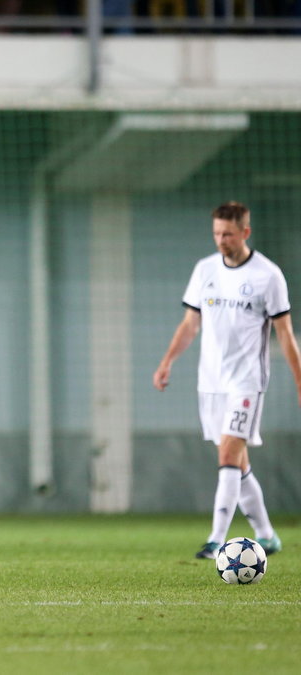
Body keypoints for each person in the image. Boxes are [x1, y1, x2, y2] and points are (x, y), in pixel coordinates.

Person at [153, 201, 300, 560]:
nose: (221, 240)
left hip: (247, 382)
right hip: (211, 382)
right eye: (217, 233)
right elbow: (191, 324)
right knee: (238, 461)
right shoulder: (205, 270)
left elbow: (284, 334)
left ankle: (216, 539)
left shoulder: (268, 275)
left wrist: (299, 382)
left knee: (228, 454)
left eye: (228, 234)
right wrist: (167, 361)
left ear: (245, 232)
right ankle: (266, 535)